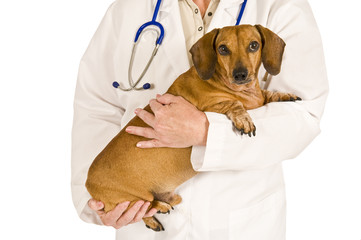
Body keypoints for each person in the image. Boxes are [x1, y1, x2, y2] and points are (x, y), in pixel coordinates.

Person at [71, 0, 328, 239]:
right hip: (141, 219)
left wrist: (207, 132)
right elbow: (96, 107)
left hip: (241, 222)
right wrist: (101, 199)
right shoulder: (128, 9)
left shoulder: (281, 6)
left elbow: (303, 114)